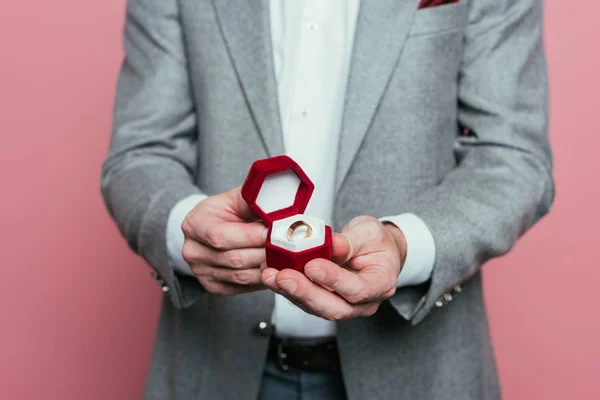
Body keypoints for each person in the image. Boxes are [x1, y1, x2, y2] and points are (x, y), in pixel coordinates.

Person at [101, 0, 554, 399]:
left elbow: (511, 158)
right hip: (214, 367)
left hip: (422, 373)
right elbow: (141, 153)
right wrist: (186, 228)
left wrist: (404, 245)